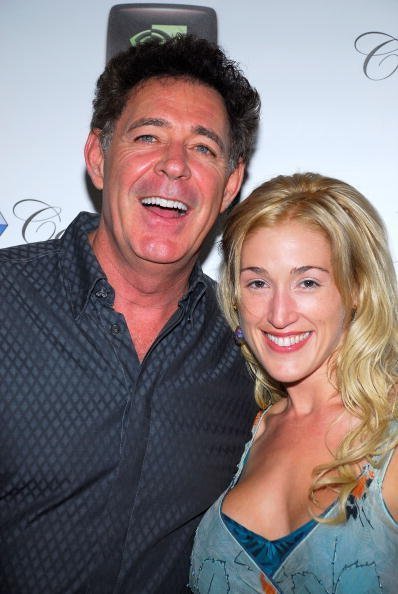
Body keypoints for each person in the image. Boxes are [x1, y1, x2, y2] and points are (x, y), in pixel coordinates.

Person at [0, 35, 260, 593]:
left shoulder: (251, 350)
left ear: (230, 185)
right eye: (149, 137)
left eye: (204, 149)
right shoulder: (7, 301)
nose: (174, 166)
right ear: (98, 157)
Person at [190, 172, 398, 593]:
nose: (279, 314)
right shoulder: (255, 426)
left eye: (307, 282)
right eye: (258, 283)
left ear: (356, 288)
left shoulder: (390, 435)